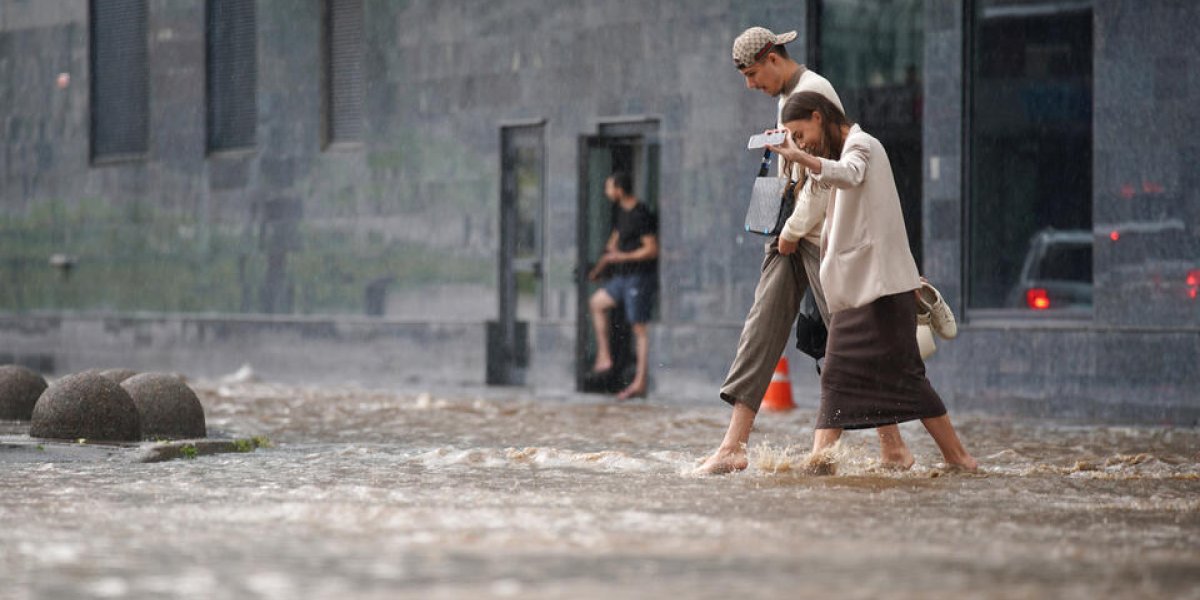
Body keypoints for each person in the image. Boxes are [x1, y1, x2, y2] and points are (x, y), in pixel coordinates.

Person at [697, 27, 916, 474]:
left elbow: (823, 175)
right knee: (763, 327)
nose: (750, 85)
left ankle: (894, 446)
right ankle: (733, 445)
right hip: (794, 236)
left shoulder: (814, 92)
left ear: (774, 58)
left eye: (753, 74)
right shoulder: (789, 96)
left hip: (816, 238)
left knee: (850, 341)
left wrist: (794, 229)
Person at [769, 91, 977, 470]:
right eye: (795, 139)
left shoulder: (862, 145)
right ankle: (866, 458)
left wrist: (800, 157)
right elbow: (830, 186)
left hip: (878, 291)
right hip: (863, 290)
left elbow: (850, 174)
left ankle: (956, 459)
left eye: (801, 134)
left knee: (890, 378)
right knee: (853, 377)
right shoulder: (838, 155)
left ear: (818, 117)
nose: (801, 143)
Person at [587, 171, 659, 401]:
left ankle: (640, 382)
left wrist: (622, 257)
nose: (606, 192)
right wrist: (598, 270)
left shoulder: (640, 213)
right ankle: (604, 356)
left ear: (619, 189)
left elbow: (652, 249)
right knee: (596, 303)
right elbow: (612, 247)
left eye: (609, 188)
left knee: (639, 329)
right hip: (622, 277)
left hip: (639, 277)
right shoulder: (621, 212)